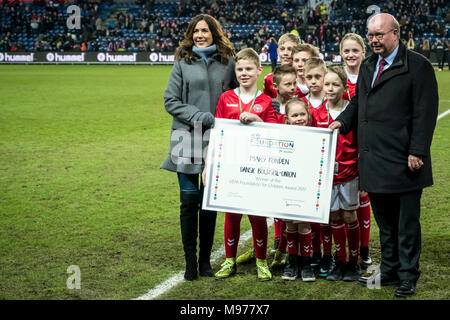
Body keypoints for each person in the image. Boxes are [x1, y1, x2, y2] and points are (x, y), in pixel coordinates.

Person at [329, 13, 438, 297]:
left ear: (395, 34)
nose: (374, 40)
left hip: (404, 159)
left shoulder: (418, 66)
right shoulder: (368, 65)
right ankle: (389, 270)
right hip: (374, 159)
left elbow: (425, 113)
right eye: (371, 35)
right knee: (386, 223)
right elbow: (358, 101)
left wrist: (417, 150)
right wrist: (342, 120)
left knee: (406, 224)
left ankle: (407, 275)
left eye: (379, 35)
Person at [161, 14, 237, 281]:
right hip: (186, 138)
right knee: (188, 202)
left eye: (205, 31)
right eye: (196, 31)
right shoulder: (182, 62)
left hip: (217, 141)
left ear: (214, 33)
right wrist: (198, 116)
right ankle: (190, 263)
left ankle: (205, 261)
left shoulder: (229, 62)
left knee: (209, 204)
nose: (200, 35)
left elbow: (240, 95)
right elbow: (170, 100)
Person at [212, 48, 278, 281]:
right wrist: (211, 165)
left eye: (249, 69)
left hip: (258, 167)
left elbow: (274, 136)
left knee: (257, 215)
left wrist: (258, 120)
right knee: (232, 215)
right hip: (232, 165)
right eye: (239, 69)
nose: (244, 73)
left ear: (259, 70)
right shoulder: (226, 98)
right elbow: (217, 133)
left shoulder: (267, 102)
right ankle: (229, 261)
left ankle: (261, 261)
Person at [314, 66, 361, 281]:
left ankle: (353, 262)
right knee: (333, 217)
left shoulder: (352, 112)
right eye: (327, 84)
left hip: (350, 171)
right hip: (326, 176)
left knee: (350, 215)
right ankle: (340, 260)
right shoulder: (316, 114)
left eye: (335, 84)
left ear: (344, 87)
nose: (330, 88)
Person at [339, 33, 373, 267]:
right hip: (342, 145)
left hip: (366, 144)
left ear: (363, 52)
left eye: (355, 51)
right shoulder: (336, 77)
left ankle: (364, 249)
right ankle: (342, 251)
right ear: (341, 53)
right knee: (343, 202)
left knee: (363, 196)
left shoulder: (371, 75)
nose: (351, 55)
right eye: (347, 51)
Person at [281, 98, 316, 282]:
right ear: (287, 119)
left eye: (302, 114)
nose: (299, 118)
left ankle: (306, 263)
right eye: (294, 115)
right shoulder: (282, 135)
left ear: (308, 116)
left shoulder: (316, 136)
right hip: (287, 186)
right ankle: (292, 261)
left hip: (305, 187)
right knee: (289, 224)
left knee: (303, 223)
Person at [301, 57, 329, 272]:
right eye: (309, 77)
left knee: (328, 217)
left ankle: (328, 256)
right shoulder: (301, 104)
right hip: (306, 169)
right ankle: (314, 253)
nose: (313, 81)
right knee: (310, 215)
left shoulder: (334, 102)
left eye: (318, 76)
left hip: (330, 170)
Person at [263, 33, 301, 99]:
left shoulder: (306, 78)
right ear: (277, 51)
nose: (285, 53)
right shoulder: (269, 79)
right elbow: (267, 106)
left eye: (290, 49)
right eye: (282, 49)